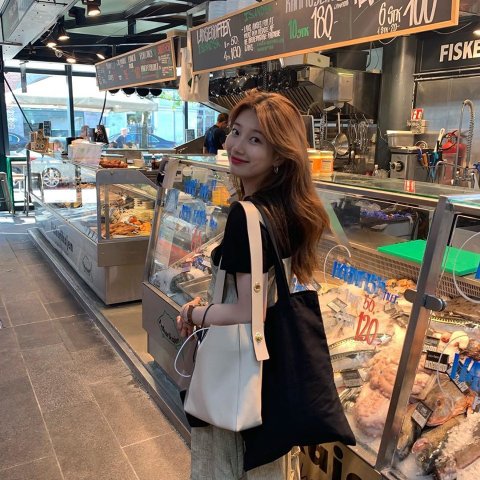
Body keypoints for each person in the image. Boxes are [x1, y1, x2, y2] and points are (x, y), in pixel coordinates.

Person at [176, 90, 329, 479]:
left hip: (240, 369)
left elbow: (247, 309)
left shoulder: (245, 215)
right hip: (271, 366)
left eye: (256, 139)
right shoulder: (289, 206)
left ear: (279, 154)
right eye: (236, 132)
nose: (237, 146)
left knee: (229, 464)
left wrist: (194, 313)